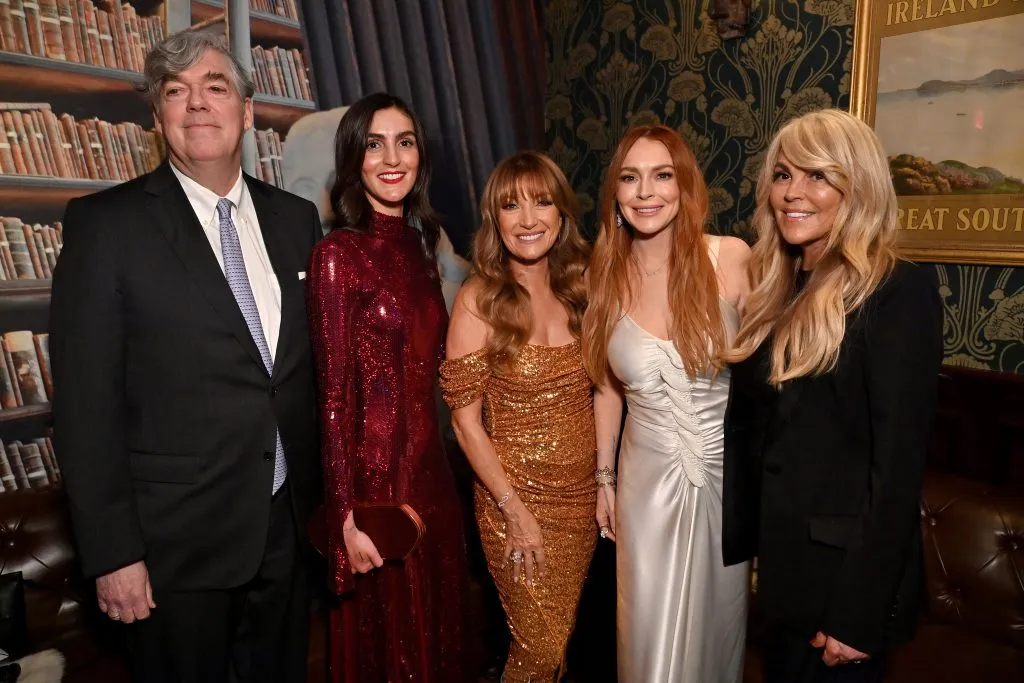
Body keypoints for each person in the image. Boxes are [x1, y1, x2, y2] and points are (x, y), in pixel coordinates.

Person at [49, 31, 322, 682]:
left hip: (287, 531)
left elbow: (303, 379)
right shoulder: (104, 226)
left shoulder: (297, 221)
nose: (197, 103)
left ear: (247, 112)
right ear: (157, 116)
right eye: (177, 91)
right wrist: (113, 554)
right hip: (173, 551)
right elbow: (86, 408)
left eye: (216, 87)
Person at [723, 108, 943, 683]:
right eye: (782, 175)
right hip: (785, 576)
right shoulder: (781, 287)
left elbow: (896, 468)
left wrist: (859, 613)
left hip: (844, 591)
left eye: (817, 175)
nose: (793, 193)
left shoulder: (897, 290)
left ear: (858, 185)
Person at [581, 125, 751, 682]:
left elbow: (768, 382)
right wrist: (603, 478)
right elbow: (607, 387)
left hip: (726, 484)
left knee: (719, 628)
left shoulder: (730, 259)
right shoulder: (602, 274)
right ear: (616, 193)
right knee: (646, 634)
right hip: (643, 487)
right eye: (630, 178)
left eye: (662, 175)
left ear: (685, 185)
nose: (646, 192)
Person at [306, 92, 467, 682]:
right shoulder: (337, 255)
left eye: (404, 142)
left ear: (421, 156)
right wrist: (345, 519)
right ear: (354, 158)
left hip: (435, 483)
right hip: (376, 490)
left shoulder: (422, 249)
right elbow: (332, 399)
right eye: (373, 144)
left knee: (439, 645)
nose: (391, 157)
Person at [440, 152, 596, 682]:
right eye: (511, 206)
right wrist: (515, 511)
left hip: (579, 501)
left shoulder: (582, 291)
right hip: (512, 500)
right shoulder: (478, 300)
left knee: (558, 646)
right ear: (495, 220)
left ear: (562, 214)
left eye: (541, 202)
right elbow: (465, 423)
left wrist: (605, 484)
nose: (528, 220)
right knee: (536, 647)